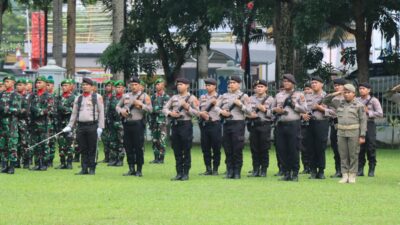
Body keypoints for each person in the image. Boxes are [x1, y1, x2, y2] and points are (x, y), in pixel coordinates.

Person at [323, 84, 367, 184]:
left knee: (353, 154)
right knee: (343, 154)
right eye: (345, 92)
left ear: (353, 93)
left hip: (354, 132)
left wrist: (362, 135)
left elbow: (363, 120)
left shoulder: (359, 105)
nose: (346, 95)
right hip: (341, 132)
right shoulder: (339, 103)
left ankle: (352, 175)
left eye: (348, 92)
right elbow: (325, 101)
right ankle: (344, 175)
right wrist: (338, 92)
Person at [63, 78, 105, 175]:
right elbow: (74, 113)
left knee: (92, 148)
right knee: (83, 148)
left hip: (92, 125)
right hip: (81, 126)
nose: (84, 86)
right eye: (83, 85)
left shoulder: (97, 97)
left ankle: (92, 168)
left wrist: (100, 127)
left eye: (87, 85)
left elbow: (101, 112)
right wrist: (70, 125)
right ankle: (84, 168)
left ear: (92, 86)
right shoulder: (78, 98)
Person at [272, 74, 307, 181]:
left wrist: (293, 105)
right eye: (284, 81)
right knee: (282, 149)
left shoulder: (299, 95)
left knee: (294, 149)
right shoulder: (278, 95)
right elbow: (271, 109)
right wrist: (276, 110)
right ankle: (286, 172)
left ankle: (295, 173)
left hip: (293, 124)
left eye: (288, 81)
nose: (286, 83)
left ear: (293, 83)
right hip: (281, 124)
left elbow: (304, 109)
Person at [163, 78, 199, 181]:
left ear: (187, 86)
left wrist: (187, 108)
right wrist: (170, 113)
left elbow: (197, 113)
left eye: (181, 84)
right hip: (175, 125)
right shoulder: (174, 97)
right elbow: (165, 108)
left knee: (186, 149)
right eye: (178, 84)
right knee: (177, 149)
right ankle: (179, 173)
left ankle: (186, 173)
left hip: (186, 125)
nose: (179, 86)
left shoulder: (192, 98)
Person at [116, 76, 152, 177]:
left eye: (136, 85)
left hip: (138, 124)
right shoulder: (125, 96)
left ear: (140, 86)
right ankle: (131, 168)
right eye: (132, 85)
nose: (134, 87)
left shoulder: (145, 96)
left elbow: (150, 109)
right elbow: (117, 106)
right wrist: (121, 111)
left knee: (138, 147)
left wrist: (141, 105)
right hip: (127, 123)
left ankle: (139, 169)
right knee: (128, 147)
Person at [217, 75, 249, 179]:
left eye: (233, 83)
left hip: (238, 123)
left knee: (237, 148)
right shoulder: (224, 96)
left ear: (239, 84)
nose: (231, 84)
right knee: (228, 148)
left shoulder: (244, 96)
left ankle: (237, 172)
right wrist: (222, 111)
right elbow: (216, 107)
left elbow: (249, 111)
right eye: (230, 83)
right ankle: (229, 171)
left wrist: (240, 105)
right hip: (227, 123)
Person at [302, 76, 329, 179]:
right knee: (310, 147)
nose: (313, 84)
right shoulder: (307, 96)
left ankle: (321, 171)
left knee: (320, 147)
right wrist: (303, 115)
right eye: (312, 83)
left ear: (322, 84)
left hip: (321, 123)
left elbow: (331, 112)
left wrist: (320, 108)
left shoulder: (327, 96)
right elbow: (302, 109)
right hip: (310, 123)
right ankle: (313, 170)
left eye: (316, 82)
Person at [246, 79, 274, 177]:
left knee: (264, 148)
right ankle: (255, 169)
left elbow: (274, 115)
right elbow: (246, 112)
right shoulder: (250, 99)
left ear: (266, 88)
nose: (259, 88)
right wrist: (249, 116)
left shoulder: (271, 99)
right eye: (258, 87)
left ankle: (264, 170)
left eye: (261, 86)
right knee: (254, 148)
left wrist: (265, 110)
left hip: (264, 125)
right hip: (253, 125)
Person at [357, 82, 383, 177]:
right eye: (360, 88)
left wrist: (368, 111)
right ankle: (360, 169)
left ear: (369, 90)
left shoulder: (374, 100)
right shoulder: (356, 100)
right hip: (359, 125)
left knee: (371, 147)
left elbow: (380, 113)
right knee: (359, 148)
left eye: (363, 88)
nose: (361, 90)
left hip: (369, 124)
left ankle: (371, 169)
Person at [29, 76, 54, 171]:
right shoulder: (33, 95)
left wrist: (37, 110)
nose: (37, 84)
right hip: (34, 123)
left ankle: (44, 164)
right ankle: (37, 163)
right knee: (35, 144)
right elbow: (29, 108)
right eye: (37, 83)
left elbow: (49, 110)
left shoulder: (48, 96)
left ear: (44, 83)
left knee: (44, 144)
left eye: (40, 82)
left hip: (45, 124)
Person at [197, 78, 222, 176]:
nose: (207, 87)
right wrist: (201, 114)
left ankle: (215, 169)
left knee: (216, 147)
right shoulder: (202, 97)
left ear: (215, 86)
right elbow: (198, 109)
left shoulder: (220, 97)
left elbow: (223, 109)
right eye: (206, 85)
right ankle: (208, 168)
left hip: (215, 124)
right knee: (205, 147)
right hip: (204, 125)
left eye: (210, 85)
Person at [0, 75, 21, 174]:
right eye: (5, 81)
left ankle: (12, 166)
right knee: (3, 145)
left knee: (12, 145)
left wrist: (5, 109)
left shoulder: (15, 95)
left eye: (8, 81)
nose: (6, 83)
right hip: (2, 124)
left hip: (11, 124)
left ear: (13, 83)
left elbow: (18, 110)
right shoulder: (2, 94)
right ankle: (4, 166)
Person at [326, 78, 346, 178]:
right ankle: (338, 170)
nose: (337, 87)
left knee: (346, 149)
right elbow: (326, 101)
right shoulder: (333, 99)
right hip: (335, 124)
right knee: (335, 148)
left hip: (347, 125)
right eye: (335, 85)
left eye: (339, 85)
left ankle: (346, 171)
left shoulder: (349, 98)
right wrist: (335, 93)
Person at [55, 79, 76, 169]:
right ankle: (62, 162)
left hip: (69, 124)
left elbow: (73, 111)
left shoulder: (74, 98)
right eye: (63, 86)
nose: (64, 87)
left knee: (70, 143)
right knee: (61, 144)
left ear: (71, 86)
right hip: (60, 124)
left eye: (66, 85)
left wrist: (62, 108)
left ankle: (69, 162)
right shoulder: (58, 98)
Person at [149, 78, 170, 164]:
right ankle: (156, 158)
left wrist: (156, 110)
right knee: (154, 140)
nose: (157, 86)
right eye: (156, 84)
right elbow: (150, 108)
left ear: (163, 85)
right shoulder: (153, 96)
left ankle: (161, 159)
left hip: (162, 122)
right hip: (154, 122)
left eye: (159, 84)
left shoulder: (166, 97)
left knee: (162, 140)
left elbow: (166, 109)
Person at [107, 80, 125, 167]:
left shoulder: (126, 98)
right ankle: (113, 159)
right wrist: (109, 121)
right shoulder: (112, 98)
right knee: (112, 141)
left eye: (120, 87)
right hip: (113, 123)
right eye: (117, 87)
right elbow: (109, 110)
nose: (118, 89)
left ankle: (120, 159)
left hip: (122, 123)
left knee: (121, 141)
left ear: (123, 88)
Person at [15, 79, 29, 168]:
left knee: (24, 142)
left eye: (20, 85)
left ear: (25, 86)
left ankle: (26, 161)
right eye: (17, 85)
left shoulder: (28, 97)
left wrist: (15, 111)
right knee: (16, 142)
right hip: (14, 121)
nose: (18, 86)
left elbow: (26, 110)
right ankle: (17, 161)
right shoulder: (14, 96)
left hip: (24, 122)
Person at [299, 82, 312, 174]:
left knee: (312, 146)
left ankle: (312, 166)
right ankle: (306, 166)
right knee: (303, 147)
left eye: (309, 89)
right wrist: (302, 114)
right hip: (303, 125)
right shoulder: (301, 98)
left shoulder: (320, 97)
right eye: (305, 89)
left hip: (313, 124)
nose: (307, 91)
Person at [101, 80, 115, 164]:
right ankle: (106, 157)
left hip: (112, 121)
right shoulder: (104, 96)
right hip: (104, 120)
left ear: (112, 87)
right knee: (105, 139)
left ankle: (112, 157)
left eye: (109, 86)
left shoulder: (114, 96)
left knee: (112, 139)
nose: (107, 87)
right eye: (106, 86)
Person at [46, 78, 57, 167]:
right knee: (46, 141)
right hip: (45, 122)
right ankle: (45, 159)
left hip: (53, 122)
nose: (47, 86)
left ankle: (50, 159)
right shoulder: (44, 96)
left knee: (51, 142)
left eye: (48, 85)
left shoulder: (56, 96)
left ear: (53, 86)